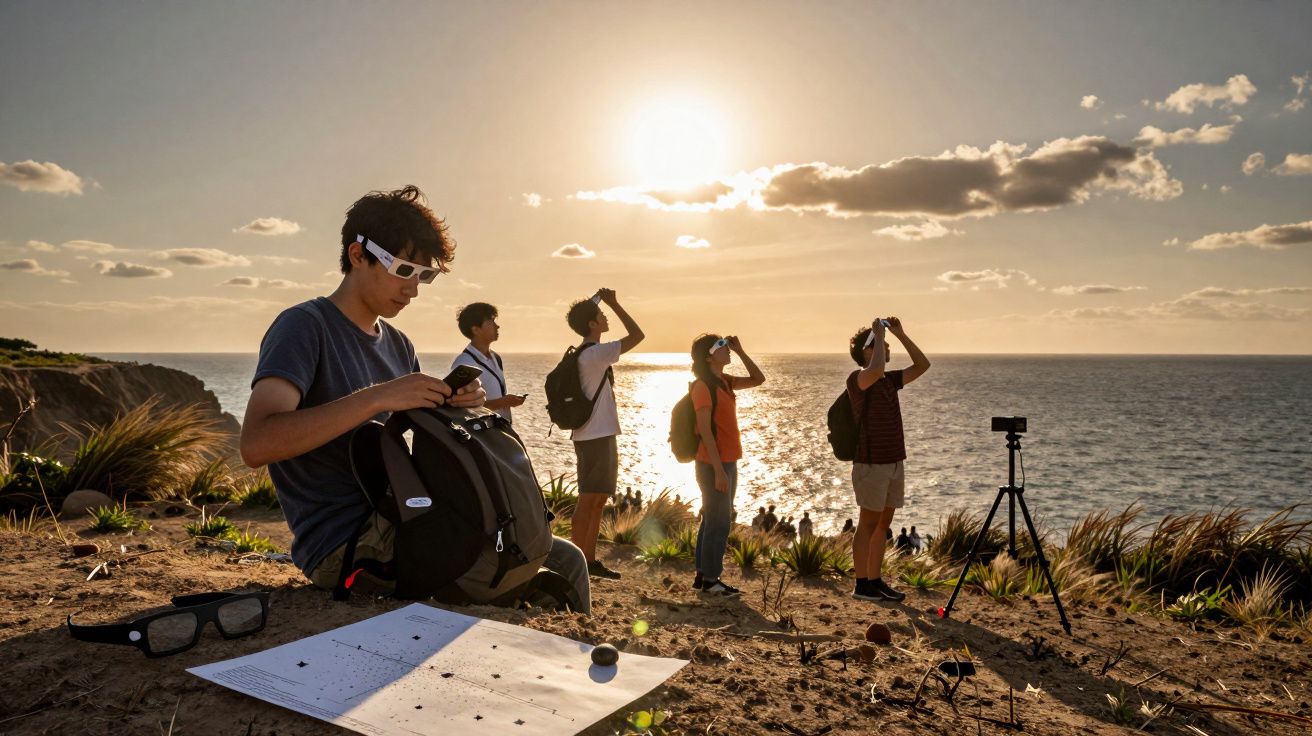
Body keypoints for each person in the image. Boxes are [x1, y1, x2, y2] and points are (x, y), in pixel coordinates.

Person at [239, 185, 590, 611]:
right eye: (405, 270)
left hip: (408, 514)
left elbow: (404, 444)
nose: (414, 289)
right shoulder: (303, 327)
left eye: (425, 276)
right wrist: (379, 397)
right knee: (505, 562)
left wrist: (453, 406)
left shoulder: (398, 345)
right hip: (348, 542)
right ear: (357, 255)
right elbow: (257, 443)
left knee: (556, 552)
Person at [847, 316, 931, 603]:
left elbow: (922, 365)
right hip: (871, 464)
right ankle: (861, 584)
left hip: (894, 461)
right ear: (868, 350)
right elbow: (877, 366)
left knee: (883, 525)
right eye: (881, 345)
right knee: (867, 523)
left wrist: (901, 334)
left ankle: (875, 580)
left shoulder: (888, 380)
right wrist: (877, 336)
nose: (888, 347)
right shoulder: (858, 378)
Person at [565, 289, 644, 579]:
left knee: (597, 500)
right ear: (591, 325)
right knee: (588, 499)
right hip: (593, 436)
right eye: (601, 316)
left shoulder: (589, 354)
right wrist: (615, 302)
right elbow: (637, 335)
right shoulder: (595, 354)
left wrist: (598, 303)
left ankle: (588, 559)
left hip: (599, 434)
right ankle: (576, 562)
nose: (605, 317)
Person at [689, 334, 766, 596]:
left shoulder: (725, 382)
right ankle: (711, 579)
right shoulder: (702, 387)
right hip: (713, 464)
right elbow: (704, 431)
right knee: (720, 521)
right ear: (709, 356)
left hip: (726, 461)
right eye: (721, 346)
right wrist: (719, 470)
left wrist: (741, 350)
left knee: (712, 518)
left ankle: (702, 576)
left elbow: (758, 379)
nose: (727, 349)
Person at [451, 302, 523, 422]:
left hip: (501, 430)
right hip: (483, 435)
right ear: (476, 330)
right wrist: (504, 402)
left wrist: (507, 401)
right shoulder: (464, 363)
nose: (497, 326)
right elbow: (461, 408)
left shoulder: (496, 358)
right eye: (492, 321)